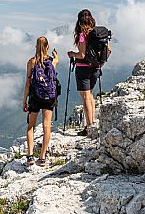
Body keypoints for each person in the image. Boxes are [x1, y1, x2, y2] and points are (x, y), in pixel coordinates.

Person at [23, 36, 59, 166]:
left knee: (31, 126)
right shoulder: (52, 62)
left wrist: (24, 100)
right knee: (46, 126)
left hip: (35, 97)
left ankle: (30, 156)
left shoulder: (31, 62)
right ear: (47, 47)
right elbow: (57, 60)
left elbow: (28, 83)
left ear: (36, 47)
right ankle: (42, 157)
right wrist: (55, 54)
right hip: (49, 98)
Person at [67, 9, 100, 136]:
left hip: (83, 69)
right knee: (90, 95)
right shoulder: (97, 34)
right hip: (95, 68)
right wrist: (99, 64)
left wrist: (71, 54)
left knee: (85, 97)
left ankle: (89, 126)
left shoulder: (82, 35)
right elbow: (108, 50)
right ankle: (92, 123)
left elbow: (81, 54)